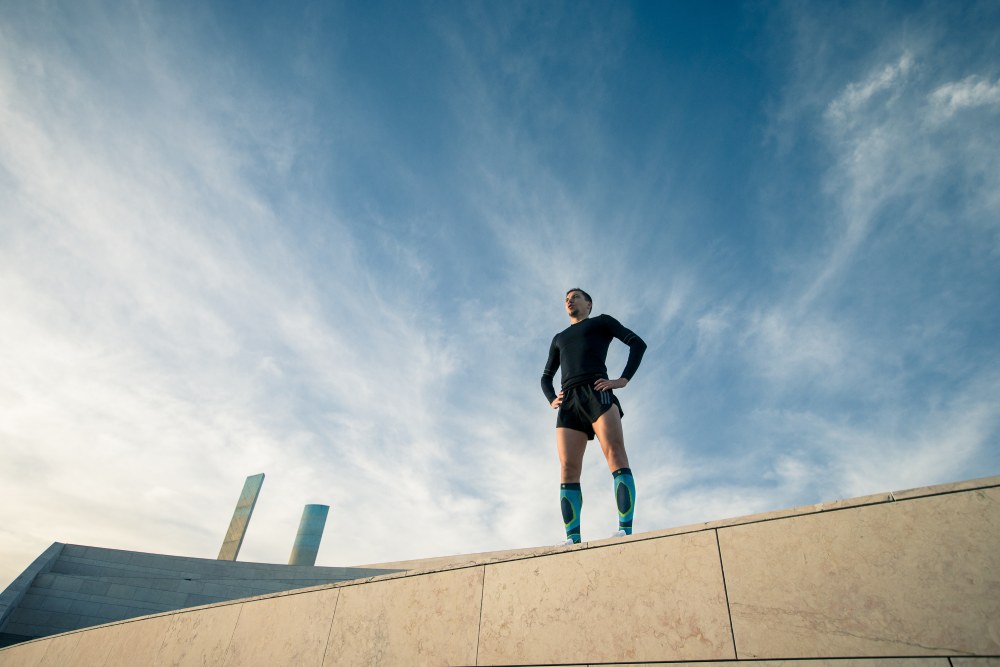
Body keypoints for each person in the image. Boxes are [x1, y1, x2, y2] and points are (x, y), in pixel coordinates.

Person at [541, 288, 647, 544]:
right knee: (568, 468)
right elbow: (546, 376)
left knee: (615, 453)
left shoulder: (602, 322)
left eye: (575, 296)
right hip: (569, 402)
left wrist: (622, 380)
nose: (569, 300)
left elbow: (637, 344)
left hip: (597, 392)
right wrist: (551, 398)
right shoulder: (559, 338)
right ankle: (573, 538)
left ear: (588, 304)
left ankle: (625, 529)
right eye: (566, 298)